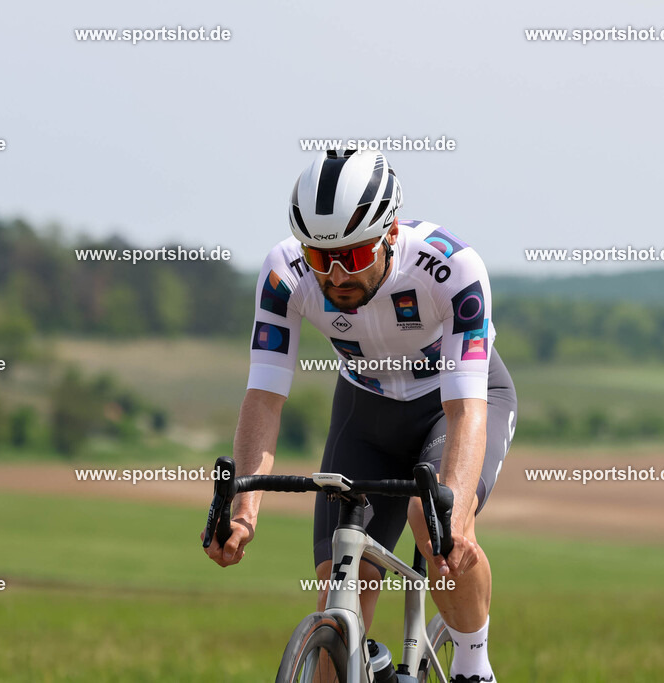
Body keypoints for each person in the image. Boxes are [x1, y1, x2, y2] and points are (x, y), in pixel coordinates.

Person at [204, 149, 517, 683]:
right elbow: (264, 396)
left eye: (353, 256)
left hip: (453, 402)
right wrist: (244, 511)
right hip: (365, 411)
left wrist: (455, 514)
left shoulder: (453, 268)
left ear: (391, 233)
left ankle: (473, 664)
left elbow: (466, 410)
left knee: (433, 522)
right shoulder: (285, 272)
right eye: (321, 258)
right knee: (341, 591)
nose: (336, 275)